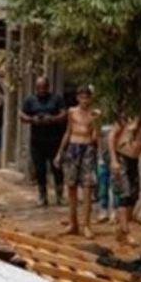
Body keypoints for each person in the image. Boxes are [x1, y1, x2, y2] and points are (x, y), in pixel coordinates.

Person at [56, 86, 100, 238]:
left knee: (87, 187)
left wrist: (96, 123)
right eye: (82, 97)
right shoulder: (72, 112)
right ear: (77, 98)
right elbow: (68, 132)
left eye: (87, 97)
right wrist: (60, 153)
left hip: (87, 148)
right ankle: (72, 223)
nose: (84, 101)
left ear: (90, 99)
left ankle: (86, 225)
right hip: (73, 148)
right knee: (71, 186)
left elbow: (95, 137)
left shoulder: (94, 114)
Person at [20, 76, 68, 206]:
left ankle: (60, 195)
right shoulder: (30, 100)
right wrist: (32, 119)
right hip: (37, 141)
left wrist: (52, 119)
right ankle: (42, 196)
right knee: (40, 169)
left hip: (54, 140)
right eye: (39, 88)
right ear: (36, 87)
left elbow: (64, 114)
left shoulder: (56, 99)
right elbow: (22, 115)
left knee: (57, 168)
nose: (42, 90)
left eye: (44, 87)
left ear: (48, 87)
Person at [109, 116, 141, 246]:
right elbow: (111, 137)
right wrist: (114, 159)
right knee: (124, 195)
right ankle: (126, 232)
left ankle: (121, 229)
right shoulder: (125, 118)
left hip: (134, 161)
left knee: (133, 197)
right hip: (122, 158)